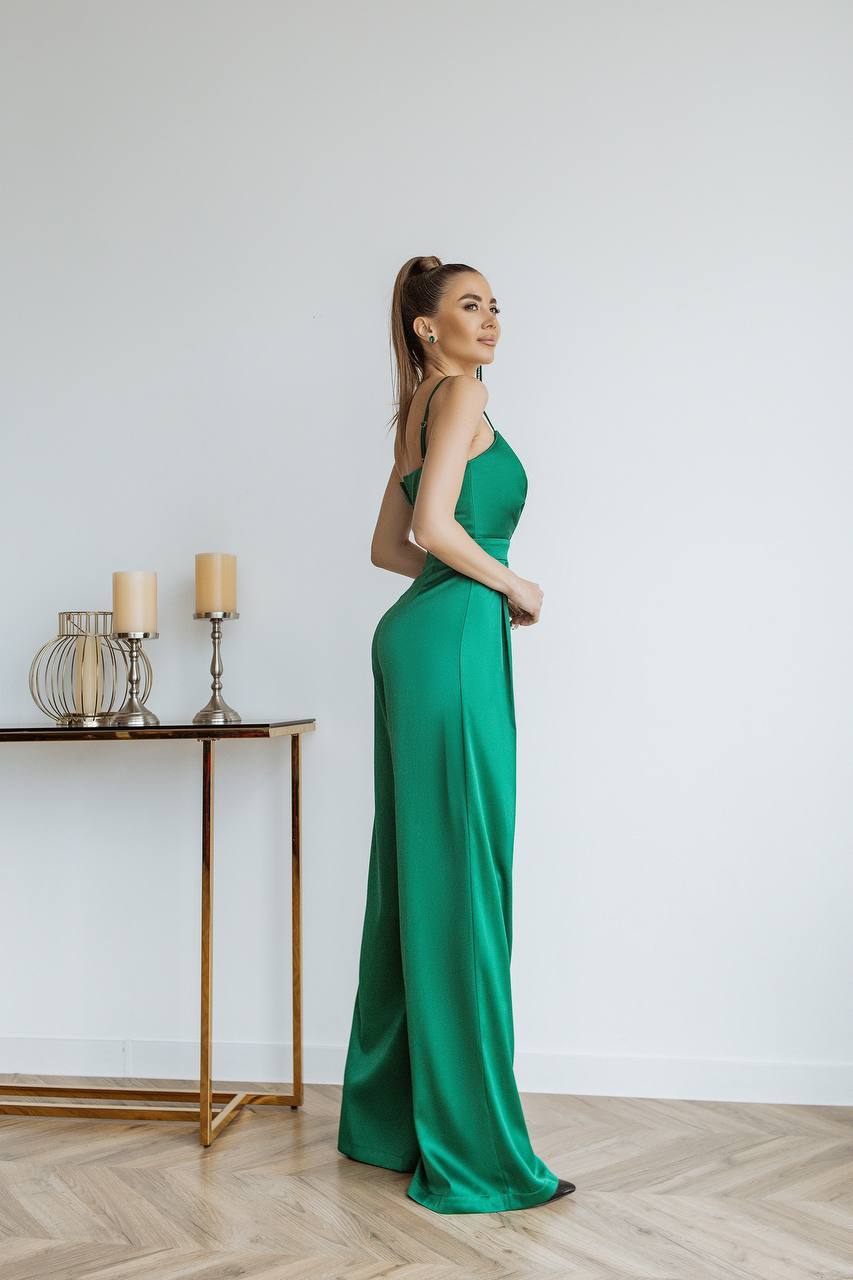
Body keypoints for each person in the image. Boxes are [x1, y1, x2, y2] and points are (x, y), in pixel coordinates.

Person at [337, 256, 575, 1214]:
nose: (491, 321)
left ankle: (391, 1122)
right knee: (461, 885)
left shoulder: (420, 404)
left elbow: (387, 547)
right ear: (427, 326)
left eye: (495, 306)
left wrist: (470, 586)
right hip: (450, 650)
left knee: (423, 881)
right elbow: (431, 528)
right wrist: (510, 581)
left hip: (424, 641)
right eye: (470, 306)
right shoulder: (461, 391)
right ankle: (475, 1153)